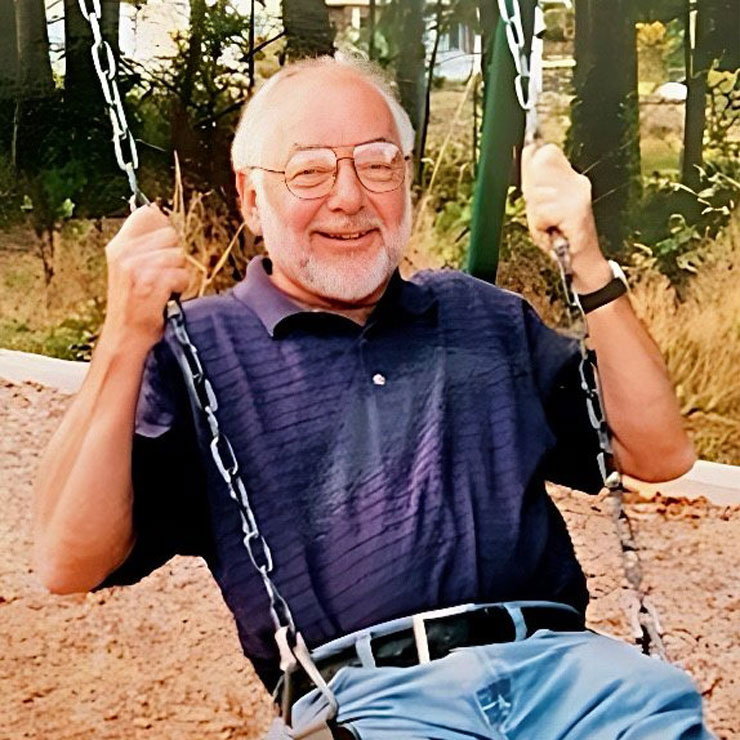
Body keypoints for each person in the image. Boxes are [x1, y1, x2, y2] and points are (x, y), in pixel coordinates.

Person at [33, 55, 713, 739]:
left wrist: (589, 262)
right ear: (251, 197)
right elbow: (68, 560)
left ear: (407, 180)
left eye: (378, 163)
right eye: (310, 171)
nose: (350, 197)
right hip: (370, 704)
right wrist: (124, 335)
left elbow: (658, 451)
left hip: (572, 681)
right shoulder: (203, 351)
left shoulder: (482, 316)